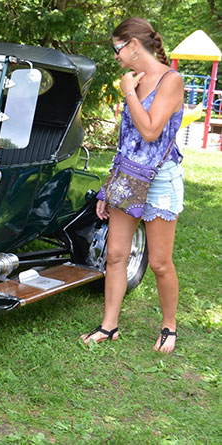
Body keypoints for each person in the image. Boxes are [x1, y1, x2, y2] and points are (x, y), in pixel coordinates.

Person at [81, 17, 184, 353]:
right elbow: (126, 141)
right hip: (128, 179)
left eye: (118, 49)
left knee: (158, 262)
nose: (116, 57)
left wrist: (128, 93)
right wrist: (108, 187)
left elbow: (151, 131)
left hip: (159, 181)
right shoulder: (133, 80)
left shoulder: (171, 81)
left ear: (134, 45)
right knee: (114, 255)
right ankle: (109, 327)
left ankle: (169, 326)